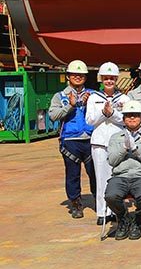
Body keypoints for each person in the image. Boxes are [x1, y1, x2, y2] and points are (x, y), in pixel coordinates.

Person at [104, 100, 141, 240]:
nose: (132, 118)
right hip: (120, 176)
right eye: (128, 115)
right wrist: (124, 148)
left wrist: (136, 150)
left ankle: (137, 221)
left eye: (136, 115)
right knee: (111, 196)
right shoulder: (116, 137)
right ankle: (123, 218)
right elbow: (112, 161)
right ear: (123, 119)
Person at [49, 59, 95, 219]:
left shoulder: (93, 94)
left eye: (81, 75)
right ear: (68, 76)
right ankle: (75, 202)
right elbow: (53, 116)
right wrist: (70, 105)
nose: (78, 77)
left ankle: (99, 200)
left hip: (90, 139)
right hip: (70, 141)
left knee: (94, 172)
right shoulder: (60, 96)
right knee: (73, 174)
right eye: (74, 74)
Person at [86, 62, 130, 225]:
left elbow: (126, 120)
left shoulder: (124, 98)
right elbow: (90, 120)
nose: (109, 81)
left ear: (116, 79)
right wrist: (103, 113)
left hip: (117, 141)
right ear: (101, 79)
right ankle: (103, 211)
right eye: (106, 78)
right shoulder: (94, 98)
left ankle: (117, 210)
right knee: (101, 178)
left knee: (117, 177)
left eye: (112, 78)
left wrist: (112, 114)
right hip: (99, 142)